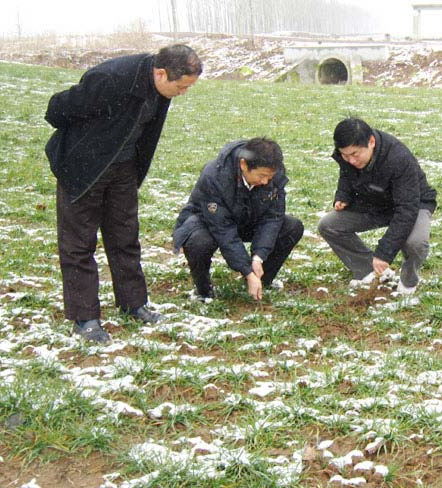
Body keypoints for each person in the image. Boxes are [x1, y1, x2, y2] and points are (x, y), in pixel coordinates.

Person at [45, 44, 203, 343]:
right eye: (181, 86)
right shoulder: (112, 78)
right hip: (83, 168)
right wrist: (88, 143)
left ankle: (133, 304)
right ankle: (85, 318)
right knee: (79, 243)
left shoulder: (160, 88)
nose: (183, 93)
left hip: (123, 169)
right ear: (161, 73)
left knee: (125, 237)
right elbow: (57, 110)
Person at [173, 138, 303, 301]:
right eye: (262, 176)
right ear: (243, 165)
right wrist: (246, 270)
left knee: (292, 227)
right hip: (208, 222)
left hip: (247, 219)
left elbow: (272, 217)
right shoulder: (214, 176)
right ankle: (204, 291)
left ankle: (261, 281)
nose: (265, 181)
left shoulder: (274, 174)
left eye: (270, 176)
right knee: (199, 242)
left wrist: (258, 257)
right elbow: (223, 229)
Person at [318, 118, 437, 294]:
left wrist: (384, 253)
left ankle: (408, 280)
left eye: (355, 154)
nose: (350, 160)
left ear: (371, 142)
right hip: (376, 202)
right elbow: (346, 173)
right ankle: (367, 269)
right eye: (345, 155)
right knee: (329, 225)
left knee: (415, 243)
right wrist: (343, 195)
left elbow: (406, 210)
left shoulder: (398, 158)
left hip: (414, 204)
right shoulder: (348, 156)